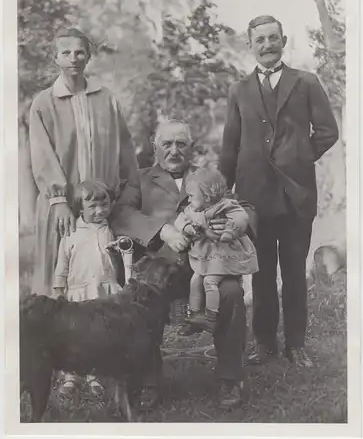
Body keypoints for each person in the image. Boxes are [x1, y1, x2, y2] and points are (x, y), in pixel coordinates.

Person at [110, 119, 258, 410]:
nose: (174, 150)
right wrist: (162, 230)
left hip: (209, 264)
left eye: (181, 144)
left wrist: (232, 223)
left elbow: (246, 208)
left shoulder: (208, 177)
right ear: (155, 147)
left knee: (229, 292)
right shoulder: (139, 178)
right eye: (167, 144)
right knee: (141, 298)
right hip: (160, 265)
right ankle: (148, 380)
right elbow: (121, 214)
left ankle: (230, 377)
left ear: (192, 147)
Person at [219, 15, 339, 367]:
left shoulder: (306, 82)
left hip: (296, 196)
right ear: (250, 45)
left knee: (294, 273)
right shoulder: (239, 90)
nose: (268, 45)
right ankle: (264, 342)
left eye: (274, 38)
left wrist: (299, 157)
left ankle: (296, 345)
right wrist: (225, 193)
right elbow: (230, 146)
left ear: (284, 40)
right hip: (253, 198)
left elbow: (328, 131)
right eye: (261, 40)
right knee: (262, 273)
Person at [29, 27, 140, 297]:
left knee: (104, 273)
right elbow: (42, 155)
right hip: (63, 206)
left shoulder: (107, 99)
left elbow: (125, 148)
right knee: (61, 278)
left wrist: (129, 190)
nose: (73, 58)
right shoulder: (44, 103)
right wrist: (58, 202)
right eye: (66, 52)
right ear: (55, 58)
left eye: (80, 52)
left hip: (102, 207)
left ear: (89, 57)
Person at [53, 180, 122, 396]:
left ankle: (94, 376)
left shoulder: (110, 230)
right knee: (75, 335)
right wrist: (58, 289)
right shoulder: (72, 232)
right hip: (79, 291)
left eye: (104, 205)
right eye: (92, 206)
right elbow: (62, 264)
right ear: (80, 207)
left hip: (102, 291)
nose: (100, 211)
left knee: (98, 335)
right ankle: (71, 376)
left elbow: (115, 261)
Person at [174, 167, 258, 333]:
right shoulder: (193, 210)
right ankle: (195, 313)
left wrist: (229, 231)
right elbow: (180, 220)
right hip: (206, 254)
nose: (188, 200)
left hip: (223, 255)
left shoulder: (226, 206)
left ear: (206, 196)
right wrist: (187, 228)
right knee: (195, 279)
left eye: (191, 196)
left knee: (209, 281)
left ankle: (211, 317)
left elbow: (241, 218)